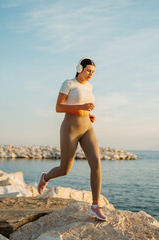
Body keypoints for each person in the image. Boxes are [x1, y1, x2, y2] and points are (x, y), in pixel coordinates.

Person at [37, 57, 107, 221]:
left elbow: (84, 106)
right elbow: (59, 107)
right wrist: (81, 108)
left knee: (96, 163)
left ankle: (95, 205)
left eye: (93, 72)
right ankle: (45, 177)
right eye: (88, 70)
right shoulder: (68, 83)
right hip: (70, 128)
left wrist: (89, 115)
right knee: (64, 169)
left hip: (87, 127)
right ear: (79, 68)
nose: (91, 74)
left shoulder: (89, 87)